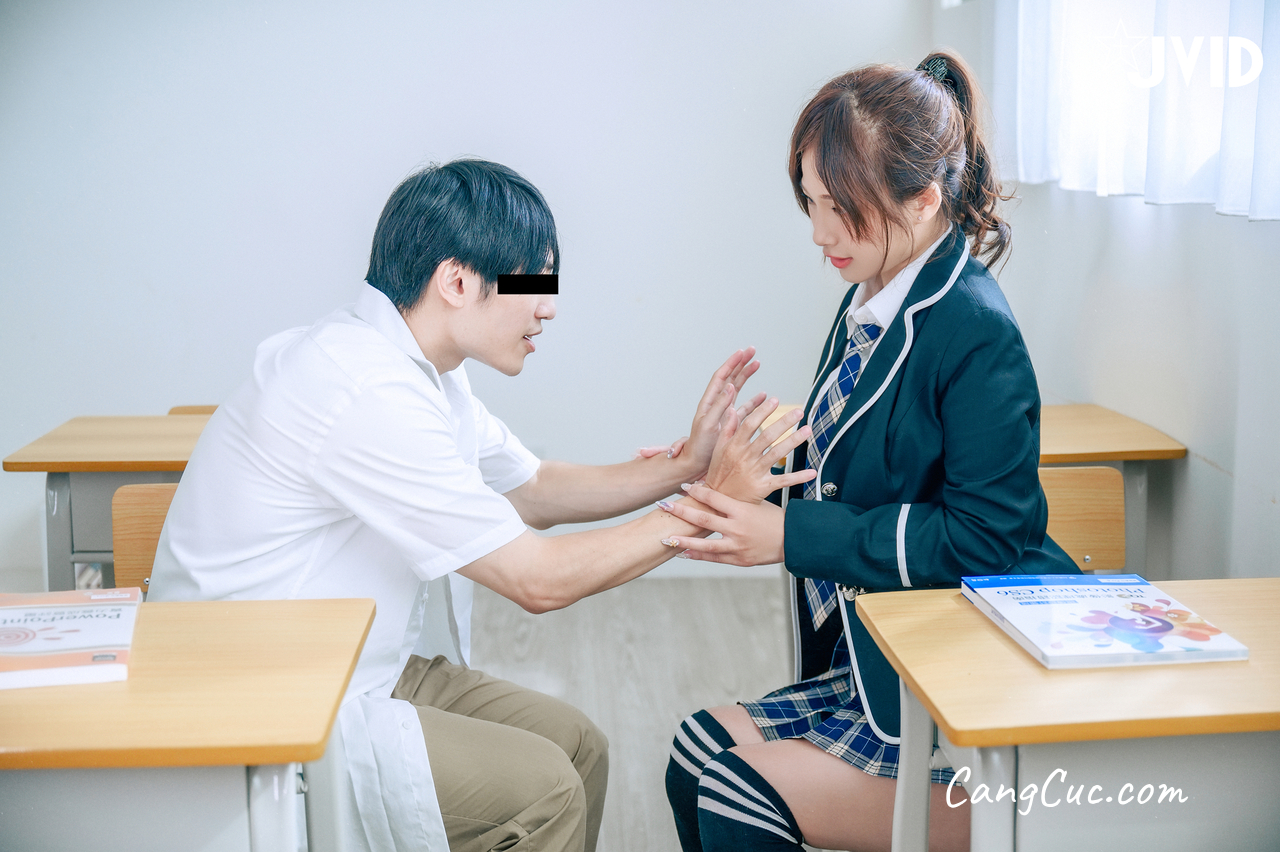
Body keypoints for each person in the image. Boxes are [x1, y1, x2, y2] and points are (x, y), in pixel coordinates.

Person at [146, 158, 813, 852]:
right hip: (271, 694)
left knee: (580, 747)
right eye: (533, 282)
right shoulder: (363, 389)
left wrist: (689, 467)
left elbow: (533, 489)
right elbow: (538, 580)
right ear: (457, 281)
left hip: (356, 667)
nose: (548, 307)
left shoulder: (425, 371)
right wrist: (711, 505)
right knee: (546, 790)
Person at [657, 52, 1079, 852]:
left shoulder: (975, 328)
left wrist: (789, 535)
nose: (820, 234)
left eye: (842, 209)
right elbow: (856, 468)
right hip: (879, 657)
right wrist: (730, 470)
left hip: (960, 676)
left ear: (924, 198)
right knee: (694, 755)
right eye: (812, 202)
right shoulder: (876, 292)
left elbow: (988, 537)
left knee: (740, 794)